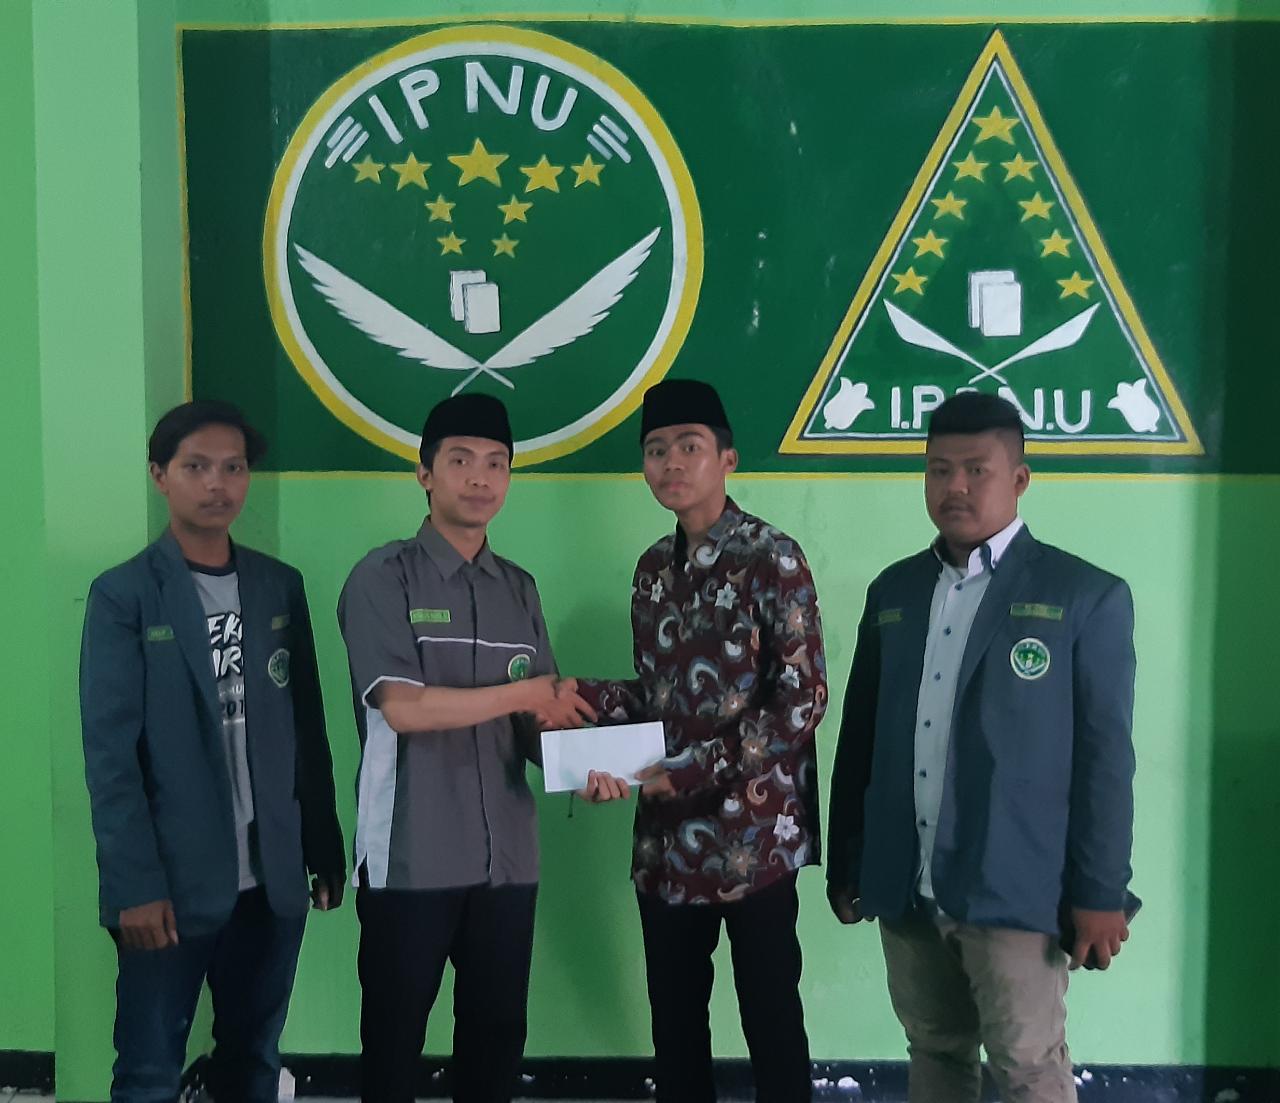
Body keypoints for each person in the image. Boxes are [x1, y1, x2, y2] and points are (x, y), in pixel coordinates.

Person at [827, 391, 1138, 1103]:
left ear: (1019, 479)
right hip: (907, 880)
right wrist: (850, 857)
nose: (955, 487)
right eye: (939, 470)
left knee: (1027, 1064)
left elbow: (1106, 762)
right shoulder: (894, 591)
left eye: (976, 469)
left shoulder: (1083, 596)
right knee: (935, 1048)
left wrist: (1100, 892)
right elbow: (862, 737)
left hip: (1016, 886)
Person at [80, 400, 346, 1103]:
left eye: (233, 468)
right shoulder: (125, 595)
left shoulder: (277, 585)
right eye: (196, 466)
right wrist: (133, 886)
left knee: (253, 1058)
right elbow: (111, 759)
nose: (217, 484)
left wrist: (322, 843)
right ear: (159, 475)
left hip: (271, 880)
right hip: (169, 886)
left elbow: (306, 727)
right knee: (148, 1071)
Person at [336, 393, 594, 1103]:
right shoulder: (382, 577)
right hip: (410, 858)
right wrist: (527, 692)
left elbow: (538, 722)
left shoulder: (519, 589)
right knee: (393, 1046)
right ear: (424, 474)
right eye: (460, 461)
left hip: (506, 862)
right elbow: (404, 708)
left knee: (495, 1042)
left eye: (496, 463)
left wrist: (589, 766)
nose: (480, 478)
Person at [576, 379, 827, 1103]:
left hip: (756, 840)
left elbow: (802, 699)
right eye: (656, 450)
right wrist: (575, 698)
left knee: (771, 1019)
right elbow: (659, 697)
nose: (671, 463)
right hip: (667, 847)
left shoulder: (772, 557)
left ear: (727, 459)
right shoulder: (652, 570)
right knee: (676, 1025)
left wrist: (690, 770)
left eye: (689, 447)